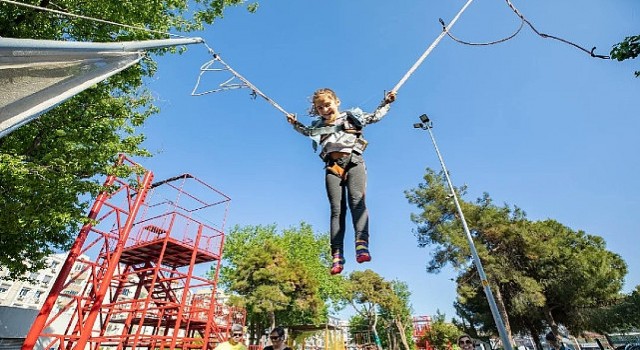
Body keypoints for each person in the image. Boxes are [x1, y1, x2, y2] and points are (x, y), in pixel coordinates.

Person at [286, 88, 396, 275]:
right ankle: (337, 254)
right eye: (320, 107)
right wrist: (294, 123)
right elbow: (306, 131)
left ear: (336, 102)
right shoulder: (317, 125)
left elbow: (375, 117)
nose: (324, 110)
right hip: (332, 166)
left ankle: (361, 244)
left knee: (356, 201)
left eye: (327, 105)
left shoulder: (351, 117)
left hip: (353, 161)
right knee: (336, 210)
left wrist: (387, 103)